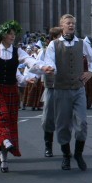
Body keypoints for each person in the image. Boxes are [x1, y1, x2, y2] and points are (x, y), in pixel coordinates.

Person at [0, 21, 47, 173]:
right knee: (1, 117)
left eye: (14, 34)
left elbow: (28, 62)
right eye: (10, 34)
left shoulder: (17, 51)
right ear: (2, 36)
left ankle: (4, 158)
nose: (13, 36)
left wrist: (39, 69)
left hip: (11, 90)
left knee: (9, 122)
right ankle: (5, 142)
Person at [42, 15, 92, 171]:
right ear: (62, 26)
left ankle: (78, 154)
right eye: (68, 23)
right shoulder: (54, 45)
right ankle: (66, 156)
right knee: (63, 125)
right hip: (61, 89)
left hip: (78, 89)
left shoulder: (82, 43)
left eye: (73, 23)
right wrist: (52, 69)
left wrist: (90, 72)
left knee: (82, 123)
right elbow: (49, 61)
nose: (72, 25)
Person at [40, 27, 62, 157]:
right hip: (51, 86)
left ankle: (65, 147)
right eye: (60, 36)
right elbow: (38, 65)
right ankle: (48, 145)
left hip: (64, 86)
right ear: (54, 38)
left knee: (65, 117)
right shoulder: (45, 51)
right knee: (48, 118)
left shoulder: (66, 48)